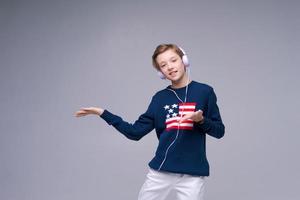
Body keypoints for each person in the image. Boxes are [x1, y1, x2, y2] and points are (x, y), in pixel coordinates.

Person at [75, 44, 225, 200]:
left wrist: (201, 120)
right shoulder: (160, 98)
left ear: (184, 60)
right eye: (163, 65)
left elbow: (219, 132)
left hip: (193, 173)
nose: (170, 67)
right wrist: (103, 113)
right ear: (161, 73)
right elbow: (135, 133)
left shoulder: (205, 92)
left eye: (173, 60)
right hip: (161, 171)